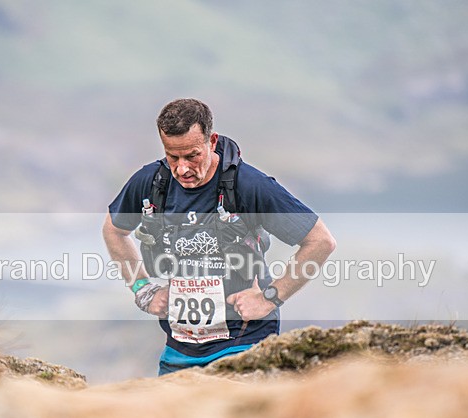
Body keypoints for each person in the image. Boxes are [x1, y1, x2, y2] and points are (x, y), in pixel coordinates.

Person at [103, 98, 336, 375]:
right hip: (179, 349)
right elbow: (114, 230)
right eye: (172, 156)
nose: (182, 169)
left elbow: (320, 241)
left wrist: (270, 297)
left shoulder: (250, 186)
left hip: (244, 345)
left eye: (192, 155)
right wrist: (143, 290)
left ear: (211, 141)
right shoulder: (151, 182)